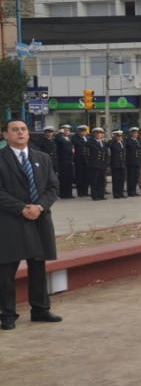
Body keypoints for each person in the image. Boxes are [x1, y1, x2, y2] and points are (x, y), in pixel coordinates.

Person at [0, 119, 62, 330]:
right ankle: (7, 314)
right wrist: (22, 208)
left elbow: (53, 187)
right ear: (5, 135)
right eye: (14, 130)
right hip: (10, 221)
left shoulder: (42, 158)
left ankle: (40, 309)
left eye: (23, 129)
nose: (20, 133)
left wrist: (39, 207)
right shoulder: (1, 159)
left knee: (38, 266)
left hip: (39, 219)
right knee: (6, 270)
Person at [86, 127, 109, 201]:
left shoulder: (103, 142)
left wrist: (106, 163)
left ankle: (101, 194)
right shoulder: (91, 141)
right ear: (94, 134)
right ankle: (94, 195)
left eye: (100, 133)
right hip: (94, 164)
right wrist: (92, 138)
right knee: (94, 180)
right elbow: (87, 145)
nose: (99, 135)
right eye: (97, 133)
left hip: (102, 163)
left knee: (101, 180)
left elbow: (105, 153)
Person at [55, 125, 75, 199]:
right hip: (63, 160)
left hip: (69, 160)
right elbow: (58, 140)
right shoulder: (60, 138)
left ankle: (69, 193)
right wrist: (59, 133)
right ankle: (62, 193)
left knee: (69, 177)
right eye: (65, 130)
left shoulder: (69, 139)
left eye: (68, 130)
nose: (67, 131)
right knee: (63, 177)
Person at [72, 125, 90, 198]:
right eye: (81, 132)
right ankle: (80, 192)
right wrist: (77, 134)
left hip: (86, 159)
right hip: (79, 160)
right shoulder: (76, 138)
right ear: (79, 132)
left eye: (84, 132)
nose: (83, 133)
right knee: (79, 176)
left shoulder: (87, 138)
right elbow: (73, 142)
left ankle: (85, 191)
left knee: (86, 176)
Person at [109, 130, 127, 199]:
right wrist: (112, 139)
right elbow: (108, 145)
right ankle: (116, 193)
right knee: (116, 180)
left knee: (121, 179)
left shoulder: (122, 142)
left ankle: (121, 192)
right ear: (115, 136)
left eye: (120, 136)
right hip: (115, 164)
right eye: (117, 136)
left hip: (122, 163)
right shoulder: (113, 143)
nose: (119, 138)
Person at [125, 127, 141, 197]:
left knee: (136, 177)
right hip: (131, 161)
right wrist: (129, 137)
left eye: (137, 133)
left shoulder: (138, 140)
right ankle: (130, 191)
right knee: (131, 177)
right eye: (134, 133)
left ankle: (134, 190)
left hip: (137, 161)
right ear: (131, 133)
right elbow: (128, 145)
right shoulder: (128, 140)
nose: (136, 134)